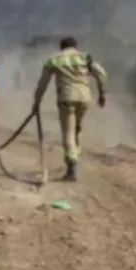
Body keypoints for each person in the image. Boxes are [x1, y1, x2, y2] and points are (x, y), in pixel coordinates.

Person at [31, 36, 108, 181]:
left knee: (68, 133)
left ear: (61, 47)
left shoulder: (54, 59)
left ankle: (72, 165)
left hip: (66, 99)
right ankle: (74, 157)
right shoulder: (85, 57)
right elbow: (101, 74)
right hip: (84, 98)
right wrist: (102, 93)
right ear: (75, 46)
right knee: (78, 128)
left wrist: (37, 102)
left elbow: (43, 83)